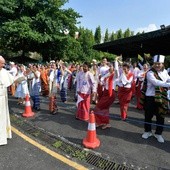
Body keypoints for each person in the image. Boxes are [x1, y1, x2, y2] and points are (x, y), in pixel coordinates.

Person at [141, 55, 170, 143]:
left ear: (162, 64)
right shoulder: (150, 72)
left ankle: (158, 133)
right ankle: (147, 131)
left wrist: (168, 82)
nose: (157, 65)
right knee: (148, 116)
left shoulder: (165, 72)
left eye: (159, 64)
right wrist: (168, 84)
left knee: (160, 116)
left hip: (162, 97)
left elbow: (168, 79)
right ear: (153, 64)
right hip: (150, 97)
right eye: (156, 64)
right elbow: (155, 82)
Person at [94, 61, 118, 129]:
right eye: (109, 66)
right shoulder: (108, 74)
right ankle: (103, 122)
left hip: (110, 94)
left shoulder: (115, 75)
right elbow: (101, 79)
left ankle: (102, 122)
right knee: (104, 109)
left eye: (111, 66)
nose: (109, 67)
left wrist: (116, 62)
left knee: (98, 107)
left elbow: (116, 71)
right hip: (105, 92)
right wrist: (101, 81)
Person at [0, 55, 14, 146]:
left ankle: (2, 137)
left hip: (2, 98)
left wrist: (23, 76)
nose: (3, 65)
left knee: (2, 118)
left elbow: (12, 80)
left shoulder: (4, 72)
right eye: (2, 63)